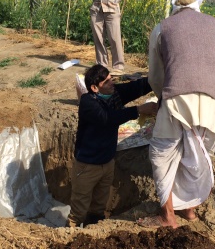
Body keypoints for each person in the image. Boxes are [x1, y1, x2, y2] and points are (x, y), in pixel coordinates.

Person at [137, 0, 215, 229]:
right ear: (197, 8)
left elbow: (155, 76)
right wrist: (212, 85)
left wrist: (164, 94)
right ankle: (190, 211)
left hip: (178, 101)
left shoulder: (163, 27)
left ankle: (167, 216)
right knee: (198, 155)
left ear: (175, 10)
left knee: (162, 155)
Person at [66, 65, 157, 228]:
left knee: (99, 207)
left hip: (107, 163)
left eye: (110, 78)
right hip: (87, 167)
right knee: (78, 210)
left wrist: (157, 77)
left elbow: (137, 87)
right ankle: (69, 235)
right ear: (94, 88)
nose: (112, 82)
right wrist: (139, 109)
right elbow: (107, 118)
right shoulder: (88, 103)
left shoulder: (113, 94)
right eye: (107, 81)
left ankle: (92, 232)